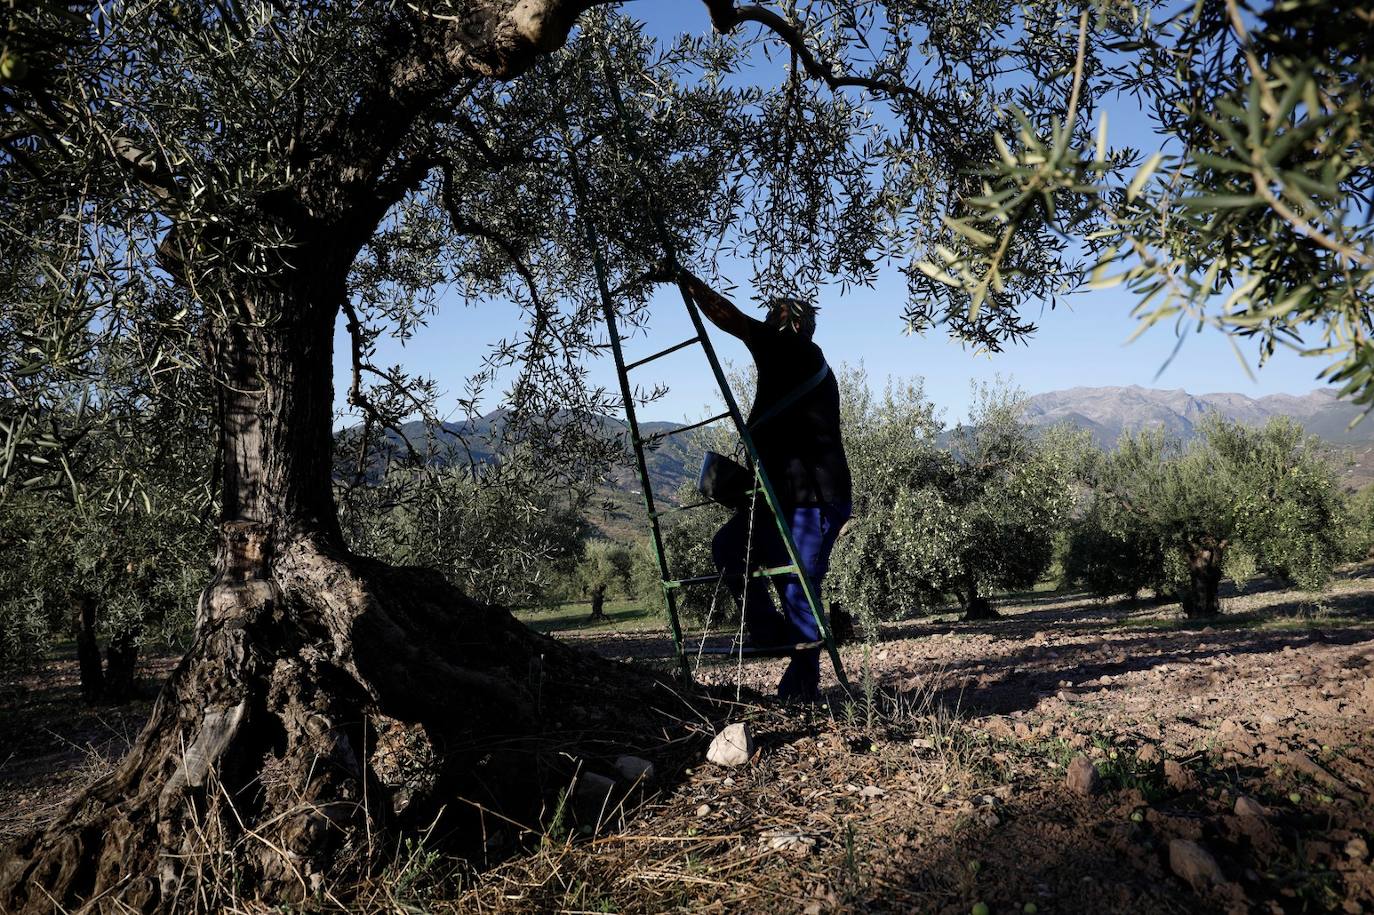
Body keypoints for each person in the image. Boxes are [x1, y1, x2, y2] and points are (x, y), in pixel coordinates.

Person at [676, 270, 852, 702]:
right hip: (781, 498)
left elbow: (730, 319)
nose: (764, 325)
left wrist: (687, 281)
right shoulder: (788, 365)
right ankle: (769, 630)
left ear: (790, 326)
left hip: (812, 501)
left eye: (771, 318)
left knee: (798, 582)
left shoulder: (793, 350)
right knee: (729, 548)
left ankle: (801, 690)